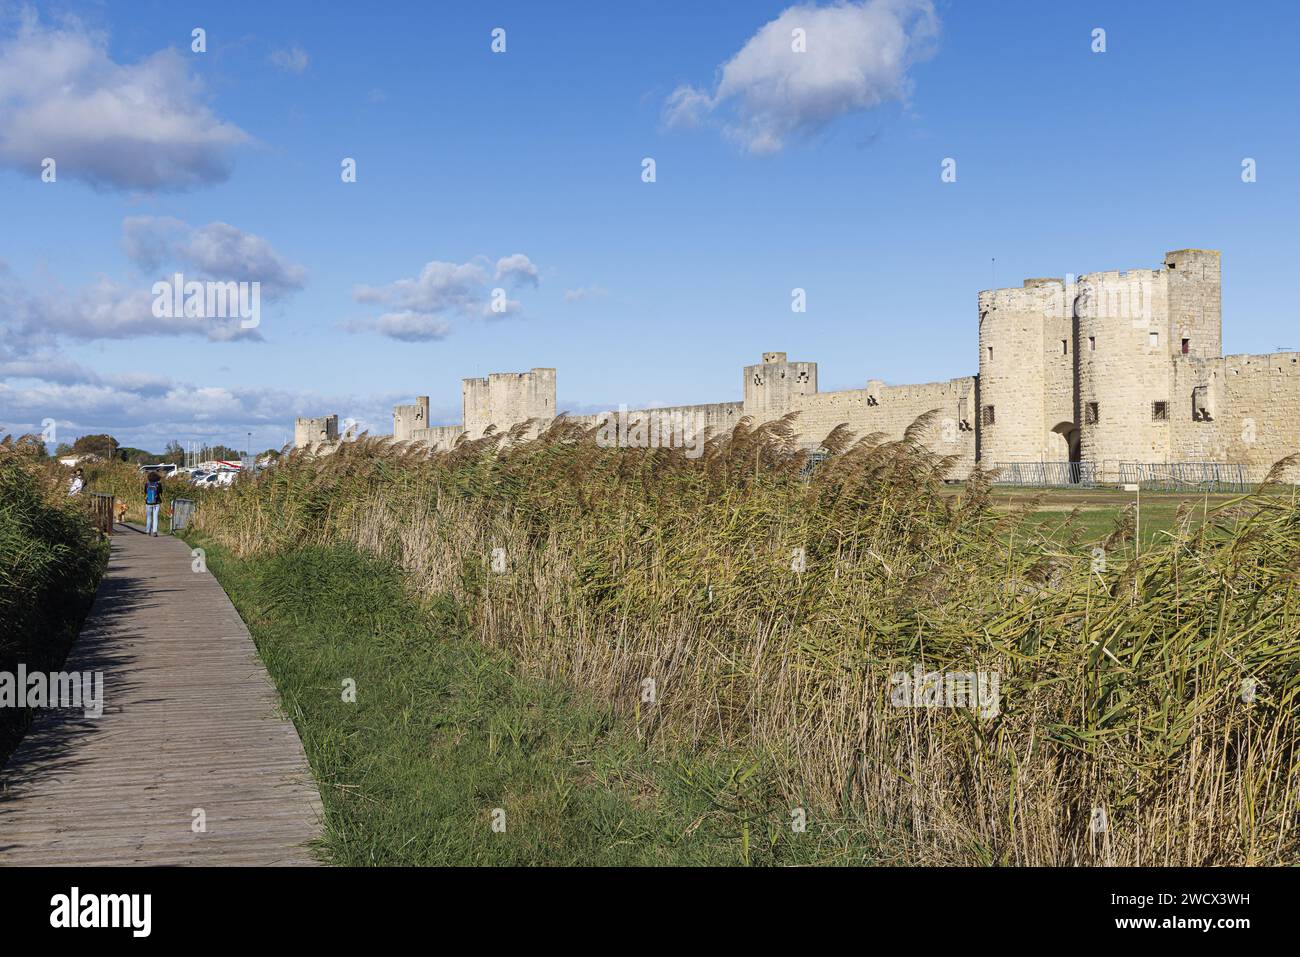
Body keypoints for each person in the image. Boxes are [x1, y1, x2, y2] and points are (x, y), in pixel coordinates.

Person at [144, 470, 164, 537]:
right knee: (155, 517)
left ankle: (147, 530)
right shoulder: (158, 484)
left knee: (149, 517)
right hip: (157, 502)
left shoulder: (147, 484)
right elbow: (161, 492)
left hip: (148, 502)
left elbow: (145, 493)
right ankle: (155, 531)